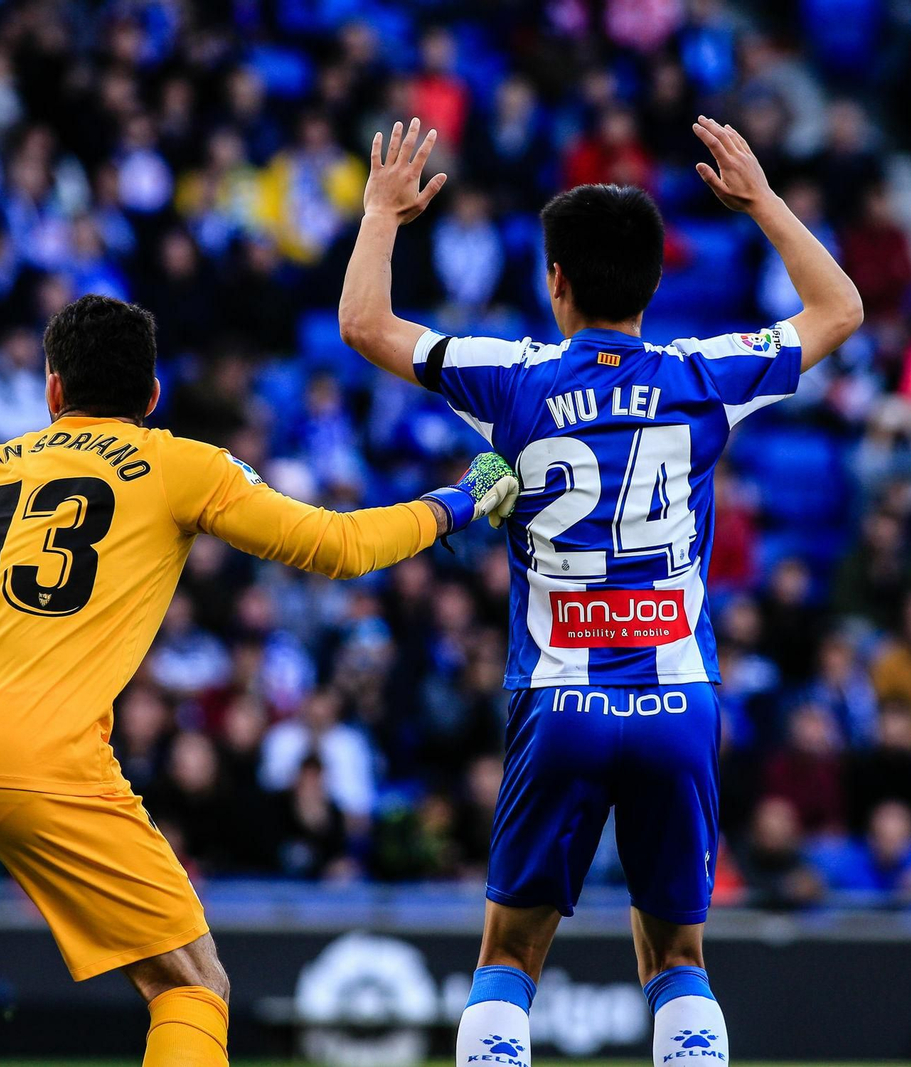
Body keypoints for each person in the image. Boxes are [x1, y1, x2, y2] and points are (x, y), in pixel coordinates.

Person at [0, 294, 518, 1067]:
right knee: (190, 984)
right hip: (41, 757)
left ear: (51, 391)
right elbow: (338, 546)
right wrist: (460, 499)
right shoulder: (179, 464)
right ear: (151, 397)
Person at [338, 115, 862, 1067]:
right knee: (676, 956)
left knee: (509, 955)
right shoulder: (702, 374)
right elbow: (839, 312)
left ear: (556, 282)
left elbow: (365, 326)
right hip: (678, 698)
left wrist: (381, 215)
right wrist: (763, 203)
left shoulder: (515, 376)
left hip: (558, 700)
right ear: (657, 285)